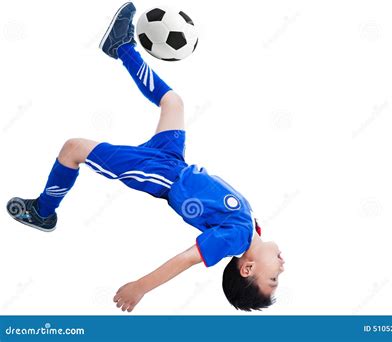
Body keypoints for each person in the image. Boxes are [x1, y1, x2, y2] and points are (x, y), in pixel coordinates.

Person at [6, 2, 285, 312]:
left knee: (74, 149)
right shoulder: (251, 229)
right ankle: (121, 47)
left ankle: (43, 212)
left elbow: (187, 259)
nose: (281, 270)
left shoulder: (234, 240)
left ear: (247, 269)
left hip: (163, 176)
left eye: (272, 280)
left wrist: (140, 287)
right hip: (174, 161)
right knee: (173, 102)